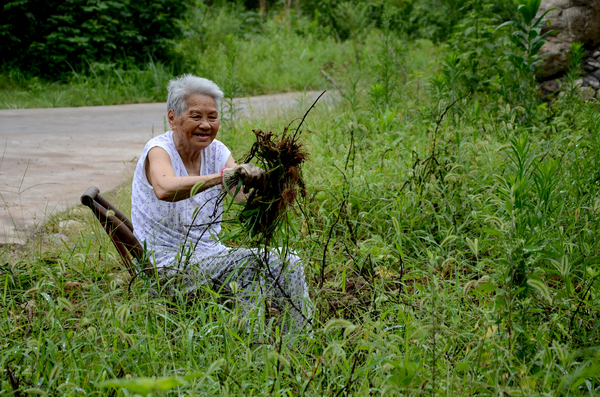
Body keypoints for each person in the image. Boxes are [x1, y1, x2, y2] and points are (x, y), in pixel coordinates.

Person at [131, 74, 312, 332]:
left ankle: (298, 340)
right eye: (196, 116)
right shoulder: (158, 150)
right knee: (250, 264)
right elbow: (164, 188)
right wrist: (222, 177)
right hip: (170, 264)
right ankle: (254, 346)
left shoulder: (216, 151)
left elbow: (241, 194)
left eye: (212, 117)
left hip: (212, 255)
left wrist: (270, 183)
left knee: (289, 261)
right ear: (172, 118)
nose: (206, 125)